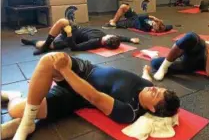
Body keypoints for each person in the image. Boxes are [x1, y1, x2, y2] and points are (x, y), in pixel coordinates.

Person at [1, 52, 180, 140]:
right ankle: (27, 123)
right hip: (84, 69)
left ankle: (13, 97)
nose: (155, 90)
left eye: (157, 95)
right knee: (50, 59)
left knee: (16, 109)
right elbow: (147, 79)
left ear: (152, 109)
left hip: (77, 96)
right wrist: (146, 71)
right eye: (160, 89)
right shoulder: (148, 85)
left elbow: (93, 97)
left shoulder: (128, 111)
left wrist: (63, 70)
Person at [21, 18, 140, 55]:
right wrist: (130, 39)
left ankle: (35, 43)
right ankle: (45, 46)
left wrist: (68, 33)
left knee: (53, 45)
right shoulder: (108, 38)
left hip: (71, 35)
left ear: (105, 41)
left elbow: (74, 48)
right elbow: (118, 37)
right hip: (75, 28)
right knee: (62, 22)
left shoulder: (94, 42)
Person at [102, 4, 173, 33]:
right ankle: (114, 22)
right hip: (134, 16)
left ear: (154, 29)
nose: (154, 23)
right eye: (156, 23)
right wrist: (162, 25)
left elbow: (140, 17)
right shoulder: (155, 25)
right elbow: (170, 26)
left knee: (110, 23)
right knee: (123, 6)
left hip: (132, 23)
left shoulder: (147, 27)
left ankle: (113, 23)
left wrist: (153, 17)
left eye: (155, 25)